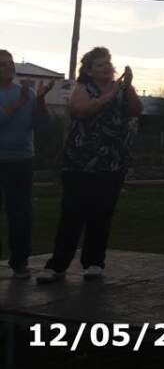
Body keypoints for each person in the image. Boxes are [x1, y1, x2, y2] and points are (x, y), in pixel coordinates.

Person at [37, 47, 142, 283]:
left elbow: (136, 110)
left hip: (112, 162)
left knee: (102, 213)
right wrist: (109, 95)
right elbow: (80, 110)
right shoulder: (83, 89)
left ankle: (94, 262)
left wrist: (129, 88)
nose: (106, 67)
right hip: (80, 163)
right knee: (72, 214)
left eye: (108, 63)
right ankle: (57, 265)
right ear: (89, 70)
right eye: (100, 64)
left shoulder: (122, 88)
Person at [0, 50, 53, 279]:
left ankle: (19, 261)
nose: (9, 67)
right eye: (2, 64)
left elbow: (42, 122)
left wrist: (40, 99)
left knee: (20, 212)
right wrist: (20, 101)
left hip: (21, 160)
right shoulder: (22, 95)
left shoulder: (29, 93)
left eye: (10, 63)